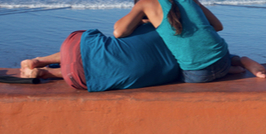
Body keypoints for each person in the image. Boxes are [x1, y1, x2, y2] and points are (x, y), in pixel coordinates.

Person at [114, 0, 266, 82]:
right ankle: (238, 62)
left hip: (197, 76)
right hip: (222, 61)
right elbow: (218, 26)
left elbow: (118, 32)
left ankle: (228, 68)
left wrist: (141, 21)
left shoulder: (145, 3)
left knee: (168, 68)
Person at [20, 24, 180, 92]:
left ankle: (41, 61)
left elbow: (119, 30)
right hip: (77, 80)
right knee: (107, 69)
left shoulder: (152, 27)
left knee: (100, 48)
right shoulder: (181, 65)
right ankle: (49, 73)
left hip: (73, 46)